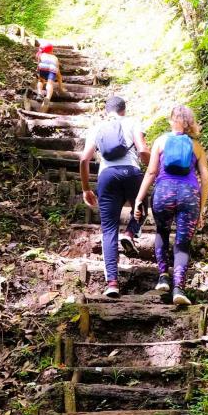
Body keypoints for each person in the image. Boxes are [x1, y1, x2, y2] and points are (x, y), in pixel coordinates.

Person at [134, 105, 208, 306]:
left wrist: (139, 198)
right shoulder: (196, 147)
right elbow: (206, 179)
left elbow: (151, 173)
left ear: (171, 120)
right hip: (189, 196)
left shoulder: (161, 141)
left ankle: (163, 277)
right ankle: (179, 288)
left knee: (162, 232)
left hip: (163, 193)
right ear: (189, 124)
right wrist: (201, 209)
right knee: (183, 243)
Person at [79, 96, 151, 298]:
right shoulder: (132, 122)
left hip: (107, 177)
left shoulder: (97, 127)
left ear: (106, 111)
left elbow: (84, 158)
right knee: (142, 207)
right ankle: (130, 233)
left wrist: (86, 188)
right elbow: (143, 149)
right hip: (131, 173)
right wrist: (154, 170)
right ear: (124, 110)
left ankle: (112, 283)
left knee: (108, 229)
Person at [36, 42, 64, 112]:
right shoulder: (55, 58)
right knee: (50, 83)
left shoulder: (41, 55)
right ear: (51, 51)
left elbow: (38, 65)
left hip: (42, 67)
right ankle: (47, 98)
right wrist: (61, 88)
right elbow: (58, 73)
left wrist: (38, 71)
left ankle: (39, 93)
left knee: (41, 81)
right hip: (53, 68)